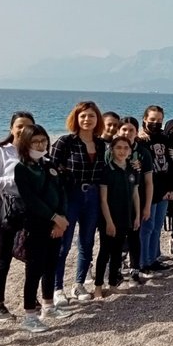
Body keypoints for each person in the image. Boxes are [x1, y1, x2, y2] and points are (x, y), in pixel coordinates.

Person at [13, 124, 74, 332]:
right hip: (36, 226)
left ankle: (48, 305)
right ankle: (30, 314)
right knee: (34, 270)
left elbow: (61, 192)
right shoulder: (21, 168)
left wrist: (61, 218)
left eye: (43, 140)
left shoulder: (49, 164)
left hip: (57, 225)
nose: (40, 144)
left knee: (51, 265)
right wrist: (54, 217)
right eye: (35, 141)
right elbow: (31, 199)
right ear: (26, 143)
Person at [50, 101, 106, 304]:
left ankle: (79, 283)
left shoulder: (101, 145)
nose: (87, 120)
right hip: (70, 196)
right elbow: (51, 172)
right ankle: (57, 288)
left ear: (97, 119)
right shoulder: (65, 143)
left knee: (87, 242)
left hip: (92, 197)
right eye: (83, 116)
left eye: (91, 116)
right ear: (76, 118)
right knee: (63, 245)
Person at [0, 110, 35, 322]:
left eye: (28, 126)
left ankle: (31, 300)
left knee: (31, 256)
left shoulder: (34, 150)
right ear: (12, 128)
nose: (24, 130)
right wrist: (15, 179)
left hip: (32, 209)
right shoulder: (0, 152)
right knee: (3, 257)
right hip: (8, 207)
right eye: (19, 126)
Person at [94, 137, 141, 298]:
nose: (122, 151)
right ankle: (98, 287)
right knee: (104, 252)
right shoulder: (107, 170)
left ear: (130, 151)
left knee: (117, 253)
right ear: (112, 149)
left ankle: (113, 284)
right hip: (109, 218)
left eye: (125, 148)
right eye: (118, 147)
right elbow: (103, 199)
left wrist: (137, 216)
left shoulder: (132, 170)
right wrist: (108, 222)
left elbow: (135, 194)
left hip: (126, 217)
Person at [139, 106, 173, 276]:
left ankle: (153, 258)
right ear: (145, 119)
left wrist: (171, 188)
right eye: (152, 119)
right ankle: (142, 262)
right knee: (146, 227)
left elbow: (171, 162)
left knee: (157, 227)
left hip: (164, 188)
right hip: (147, 189)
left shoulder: (165, 138)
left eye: (159, 120)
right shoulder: (141, 140)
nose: (155, 123)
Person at [117, 117, 153, 284]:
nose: (127, 133)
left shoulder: (143, 152)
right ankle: (116, 268)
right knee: (116, 237)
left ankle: (134, 270)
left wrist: (147, 207)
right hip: (115, 202)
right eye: (124, 129)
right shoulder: (113, 150)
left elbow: (148, 181)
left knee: (135, 235)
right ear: (119, 131)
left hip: (137, 200)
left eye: (131, 130)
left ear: (136, 131)